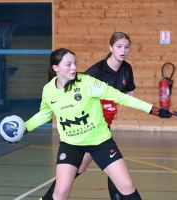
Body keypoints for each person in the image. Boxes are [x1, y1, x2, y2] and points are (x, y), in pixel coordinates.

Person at [15, 48, 177, 200]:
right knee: (60, 193)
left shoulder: (88, 82)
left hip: (100, 142)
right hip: (71, 145)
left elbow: (122, 97)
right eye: (68, 64)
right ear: (56, 68)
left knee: (126, 186)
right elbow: (44, 115)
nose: (74, 67)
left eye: (75, 63)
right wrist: (24, 129)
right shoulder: (48, 90)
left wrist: (154, 110)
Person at [42, 32, 135, 200]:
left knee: (93, 168)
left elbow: (129, 96)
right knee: (83, 168)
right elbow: (77, 93)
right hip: (89, 127)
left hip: (103, 125)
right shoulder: (96, 71)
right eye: (119, 46)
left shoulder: (126, 69)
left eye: (126, 47)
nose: (123, 50)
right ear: (111, 48)